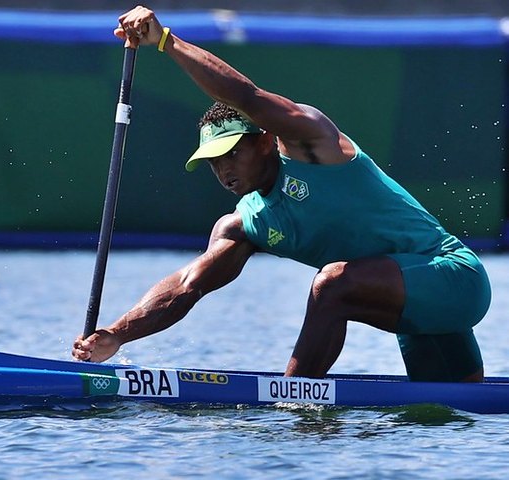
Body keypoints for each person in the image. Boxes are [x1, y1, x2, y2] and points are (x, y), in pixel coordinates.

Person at [72, 6, 492, 382]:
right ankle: (298, 396)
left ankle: (293, 400)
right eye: (213, 162)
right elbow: (186, 285)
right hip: (416, 306)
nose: (223, 170)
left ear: (264, 140)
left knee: (331, 284)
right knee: (453, 410)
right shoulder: (244, 222)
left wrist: (165, 41)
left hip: (453, 277)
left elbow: (245, 96)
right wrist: (115, 335)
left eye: (231, 154)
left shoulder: (314, 144)